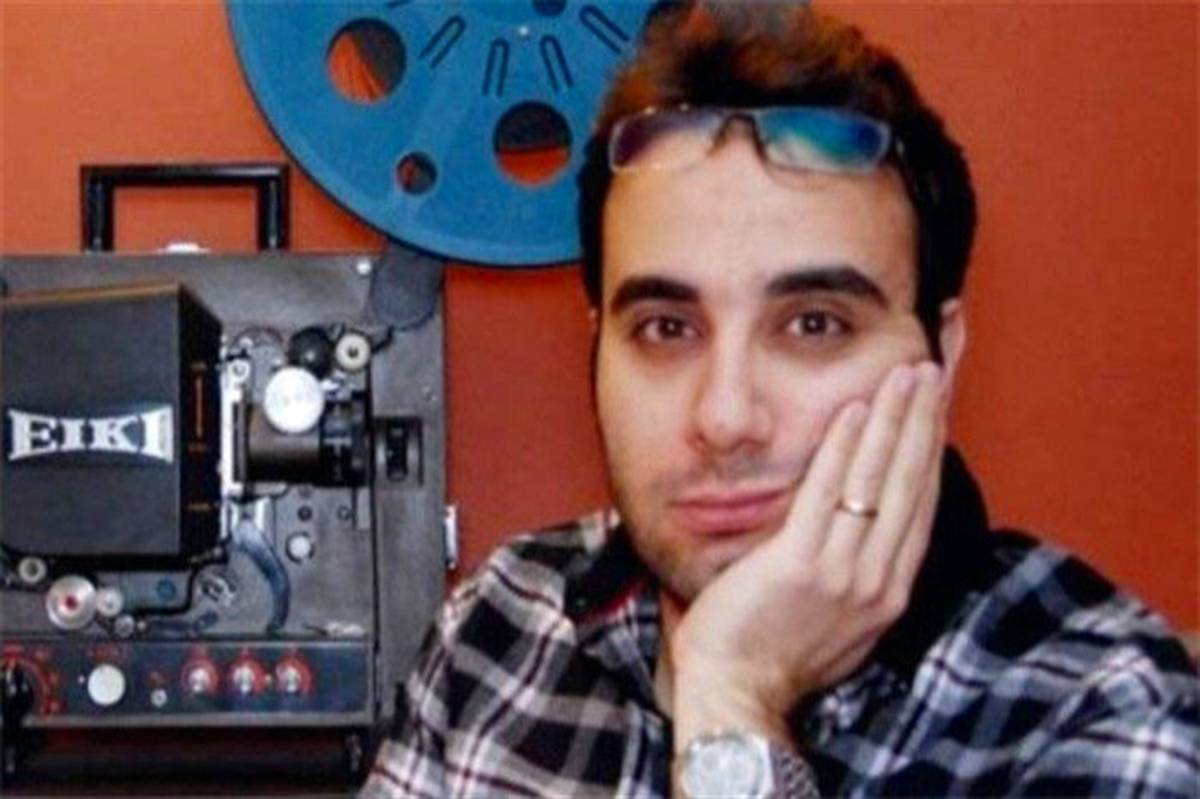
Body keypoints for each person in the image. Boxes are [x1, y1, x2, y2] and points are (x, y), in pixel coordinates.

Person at [362, 3, 1199, 796]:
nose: (725, 419)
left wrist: (734, 697)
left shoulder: (1107, 708)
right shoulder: (501, 628)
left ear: (941, 354)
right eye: (665, 328)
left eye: (813, 324)